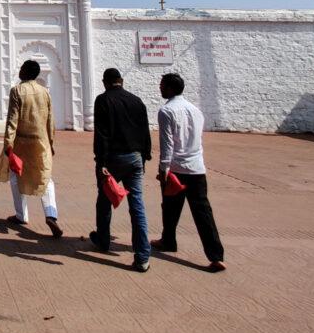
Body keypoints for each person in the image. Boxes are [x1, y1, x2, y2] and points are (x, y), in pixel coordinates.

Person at [152, 72, 226, 272]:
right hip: (197, 169)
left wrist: (164, 168)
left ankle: (168, 240)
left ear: (170, 88)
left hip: (176, 169)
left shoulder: (166, 111)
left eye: (162, 85)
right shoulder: (196, 111)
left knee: (169, 206)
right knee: (203, 212)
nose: (160, 88)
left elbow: (167, 144)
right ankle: (216, 255)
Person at [90, 67, 153, 271]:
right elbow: (145, 131)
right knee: (137, 206)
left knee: (105, 198)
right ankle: (143, 256)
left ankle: (103, 239)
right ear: (122, 81)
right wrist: (145, 157)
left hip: (114, 158)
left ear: (104, 82)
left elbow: (102, 134)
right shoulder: (137, 101)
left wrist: (101, 163)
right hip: (135, 157)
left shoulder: (103, 100)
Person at [0, 60, 63, 237]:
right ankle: (51, 214)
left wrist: (8, 144)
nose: (19, 71)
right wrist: (51, 142)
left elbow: (12, 120)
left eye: (22, 69)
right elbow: (50, 120)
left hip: (21, 143)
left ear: (25, 72)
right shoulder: (45, 92)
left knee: (16, 176)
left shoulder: (17, 91)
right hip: (41, 142)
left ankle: (21, 215)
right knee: (46, 177)